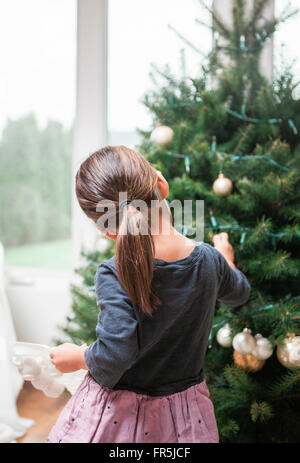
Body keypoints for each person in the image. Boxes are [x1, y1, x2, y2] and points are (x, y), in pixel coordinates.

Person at [47, 146, 250, 443]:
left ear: (109, 231)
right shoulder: (210, 260)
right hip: (184, 420)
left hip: (117, 420)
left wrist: (78, 357)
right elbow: (239, 294)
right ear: (161, 185)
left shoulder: (113, 272)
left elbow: (116, 353)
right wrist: (227, 260)